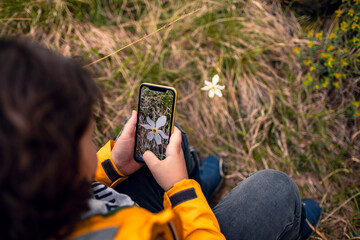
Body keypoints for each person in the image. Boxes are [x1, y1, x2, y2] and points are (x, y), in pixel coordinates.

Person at [0, 38, 321, 240]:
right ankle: (287, 227)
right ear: (59, 166)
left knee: (157, 137)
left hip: (119, 207)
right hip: (175, 228)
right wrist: (180, 192)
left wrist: (112, 166)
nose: (94, 142)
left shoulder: (20, 198)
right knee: (275, 192)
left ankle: (195, 189)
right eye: (87, 137)